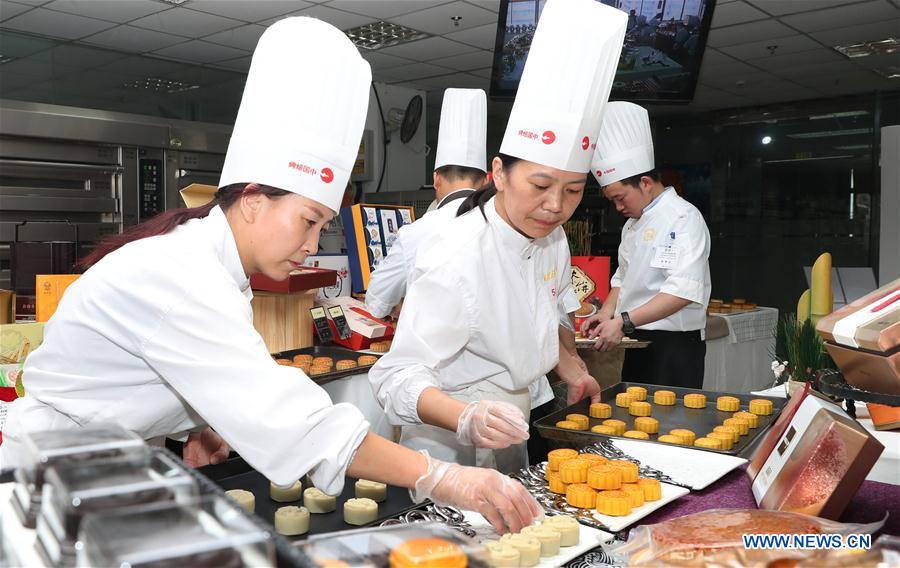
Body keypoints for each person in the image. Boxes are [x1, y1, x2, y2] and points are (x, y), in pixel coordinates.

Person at [0, 17, 540, 535]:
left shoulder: (214, 266)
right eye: (308, 221)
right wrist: (442, 476)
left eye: (322, 226)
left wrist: (201, 423)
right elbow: (294, 421)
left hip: (110, 469)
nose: (313, 245)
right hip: (51, 477)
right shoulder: (178, 274)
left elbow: (168, 369)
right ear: (254, 200)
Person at [369, 0, 627, 472]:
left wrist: (573, 368)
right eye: (541, 186)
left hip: (514, 419)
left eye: (573, 190)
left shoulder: (552, 238)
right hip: (446, 438)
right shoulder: (456, 254)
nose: (556, 206)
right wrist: (465, 417)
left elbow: (544, 316)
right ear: (499, 174)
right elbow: (395, 376)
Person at [582, 102, 711, 389]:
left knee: (670, 417)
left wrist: (623, 321)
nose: (618, 208)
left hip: (674, 346)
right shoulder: (632, 224)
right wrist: (606, 313)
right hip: (635, 336)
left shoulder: (683, 217)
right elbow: (624, 279)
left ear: (644, 183)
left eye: (620, 198)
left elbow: (682, 292)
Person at [365, 88, 489, 320]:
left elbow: (376, 302)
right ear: (486, 181)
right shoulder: (503, 224)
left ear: (436, 179)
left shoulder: (417, 232)